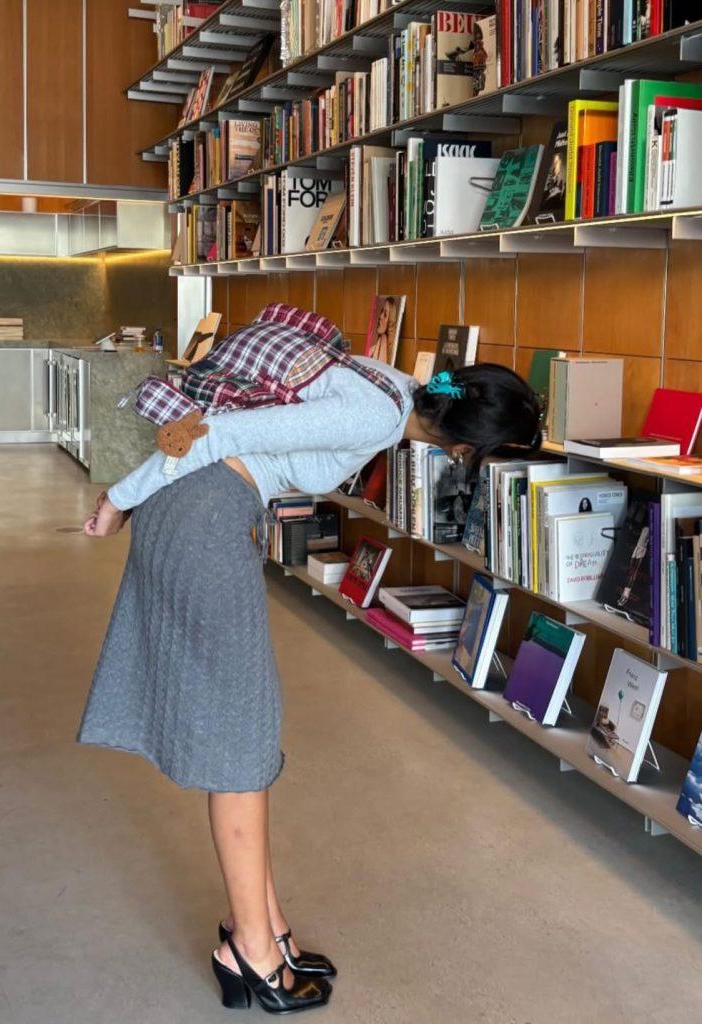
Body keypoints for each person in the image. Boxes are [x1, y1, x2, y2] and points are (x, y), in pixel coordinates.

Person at [79, 319, 541, 1012]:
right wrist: (120, 499)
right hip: (202, 513)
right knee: (241, 742)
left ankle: (263, 928)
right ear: (466, 451)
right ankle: (251, 952)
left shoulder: (396, 386)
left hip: (210, 511)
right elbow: (212, 433)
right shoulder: (375, 414)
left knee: (249, 729)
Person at [368, 296, 398, 364]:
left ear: (390, 321)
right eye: (381, 312)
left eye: (385, 315)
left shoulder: (390, 354)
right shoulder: (371, 350)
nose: (380, 317)